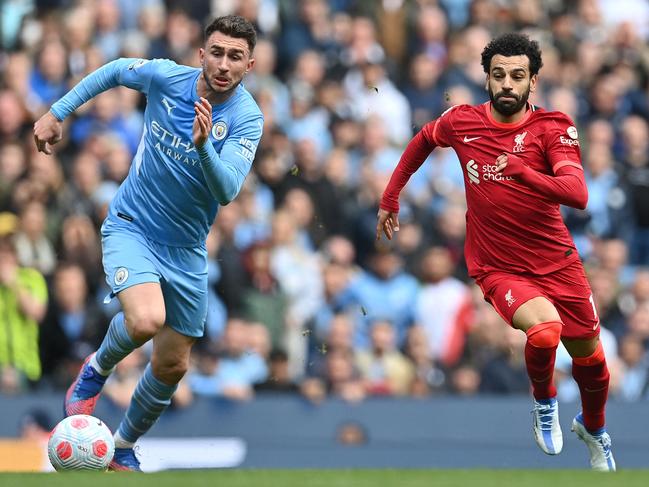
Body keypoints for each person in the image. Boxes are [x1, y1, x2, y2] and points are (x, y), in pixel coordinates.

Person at [33, 15, 263, 471]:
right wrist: (57, 112)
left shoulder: (247, 118)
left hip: (187, 251)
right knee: (145, 320)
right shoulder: (166, 77)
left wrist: (202, 147)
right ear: (201, 54)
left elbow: (227, 190)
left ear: (249, 65)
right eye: (216, 52)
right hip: (132, 225)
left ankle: (121, 446)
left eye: (234, 56)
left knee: (173, 365)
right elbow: (115, 69)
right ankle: (94, 371)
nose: (223, 64)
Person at [376, 33, 615, 471]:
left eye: (517, 76)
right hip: (499, 266)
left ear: (533, 82)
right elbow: (423, 140)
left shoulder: (552, 128)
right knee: (544, 331)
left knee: (592, 359)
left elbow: (577, 193)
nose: (507, 84)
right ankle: (545, 403)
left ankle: (594, 428)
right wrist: (392, 196)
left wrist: (525, 172)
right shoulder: (463, 121)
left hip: (558, 263)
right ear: (487, 78)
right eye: (499, 75)